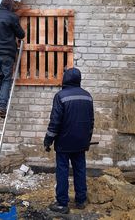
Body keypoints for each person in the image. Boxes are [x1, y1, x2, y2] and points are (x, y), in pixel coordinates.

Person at [44, 67, 94, 214]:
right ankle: (80, 201)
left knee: (62, 171)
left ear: (65, 79)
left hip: (64, 143)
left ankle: (62, 203)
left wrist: (48, 140)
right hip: (80, 143)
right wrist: (87, 140)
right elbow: (91, 121)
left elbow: (55, 122)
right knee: (80, 170)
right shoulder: (87, 96)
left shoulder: (60, 96)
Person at [0, 0, 25, 118]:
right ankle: (2, 107)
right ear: (10, 6)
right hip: (7, 54)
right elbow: (21, 34)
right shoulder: (12, 17)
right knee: (6, 80)